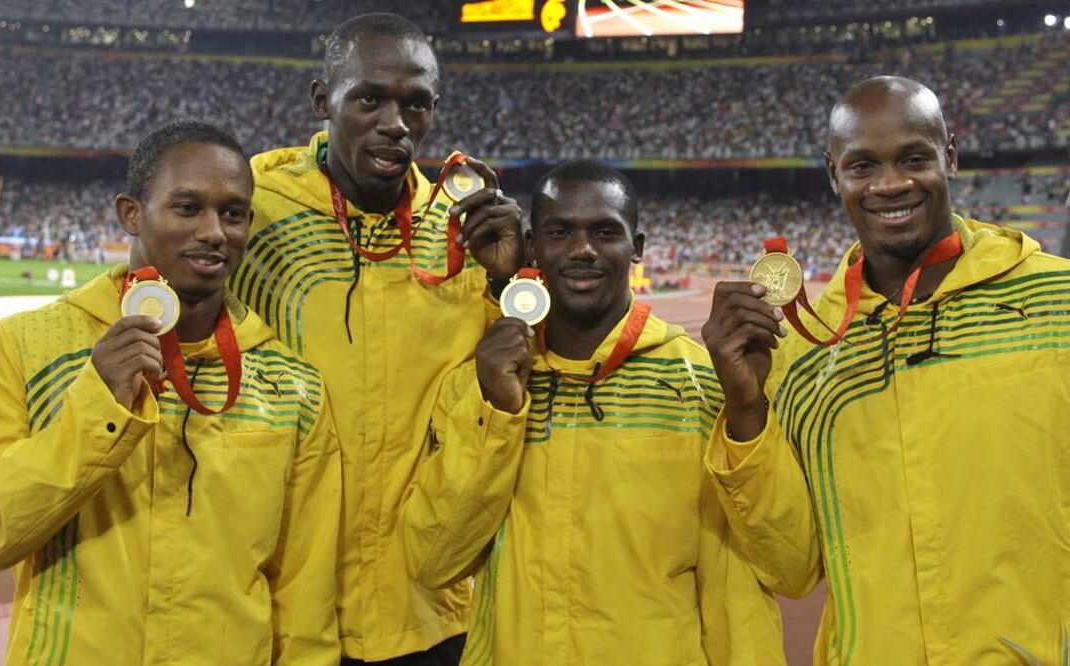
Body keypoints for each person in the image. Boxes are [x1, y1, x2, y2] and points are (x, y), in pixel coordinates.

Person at [702, 76, 1070, 664]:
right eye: (863, 165)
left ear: (950, 155)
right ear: (833, 174)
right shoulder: (806, 355)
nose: (891, 184)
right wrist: (746, 412)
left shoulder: (1057, 301)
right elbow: (792, 568)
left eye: (914, 158)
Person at [401, 161, 786, 665]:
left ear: (638, 247)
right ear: (534, 245)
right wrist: (496, 413)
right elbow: (432, 561)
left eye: (605, 232)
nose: (582, 250)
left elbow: (776, 572)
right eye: (561, 232)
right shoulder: (481, 384)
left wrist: (746, 412)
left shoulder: (703, 385)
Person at [228, 13, 524, 666]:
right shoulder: (253, 211)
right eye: (369, 99)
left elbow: (513, 387)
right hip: (281, 610)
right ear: (321, 100)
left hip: (426, 607)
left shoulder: (464, 227)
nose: (395, 122)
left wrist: (513, 283)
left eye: (414, 104)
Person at [0, 120, 341, 665]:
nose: (214, 231)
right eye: (187, 208)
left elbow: (303, 591)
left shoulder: (292, 384)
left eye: (232, 213)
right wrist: (99, 405)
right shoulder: (22, 348)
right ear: (131, 213)